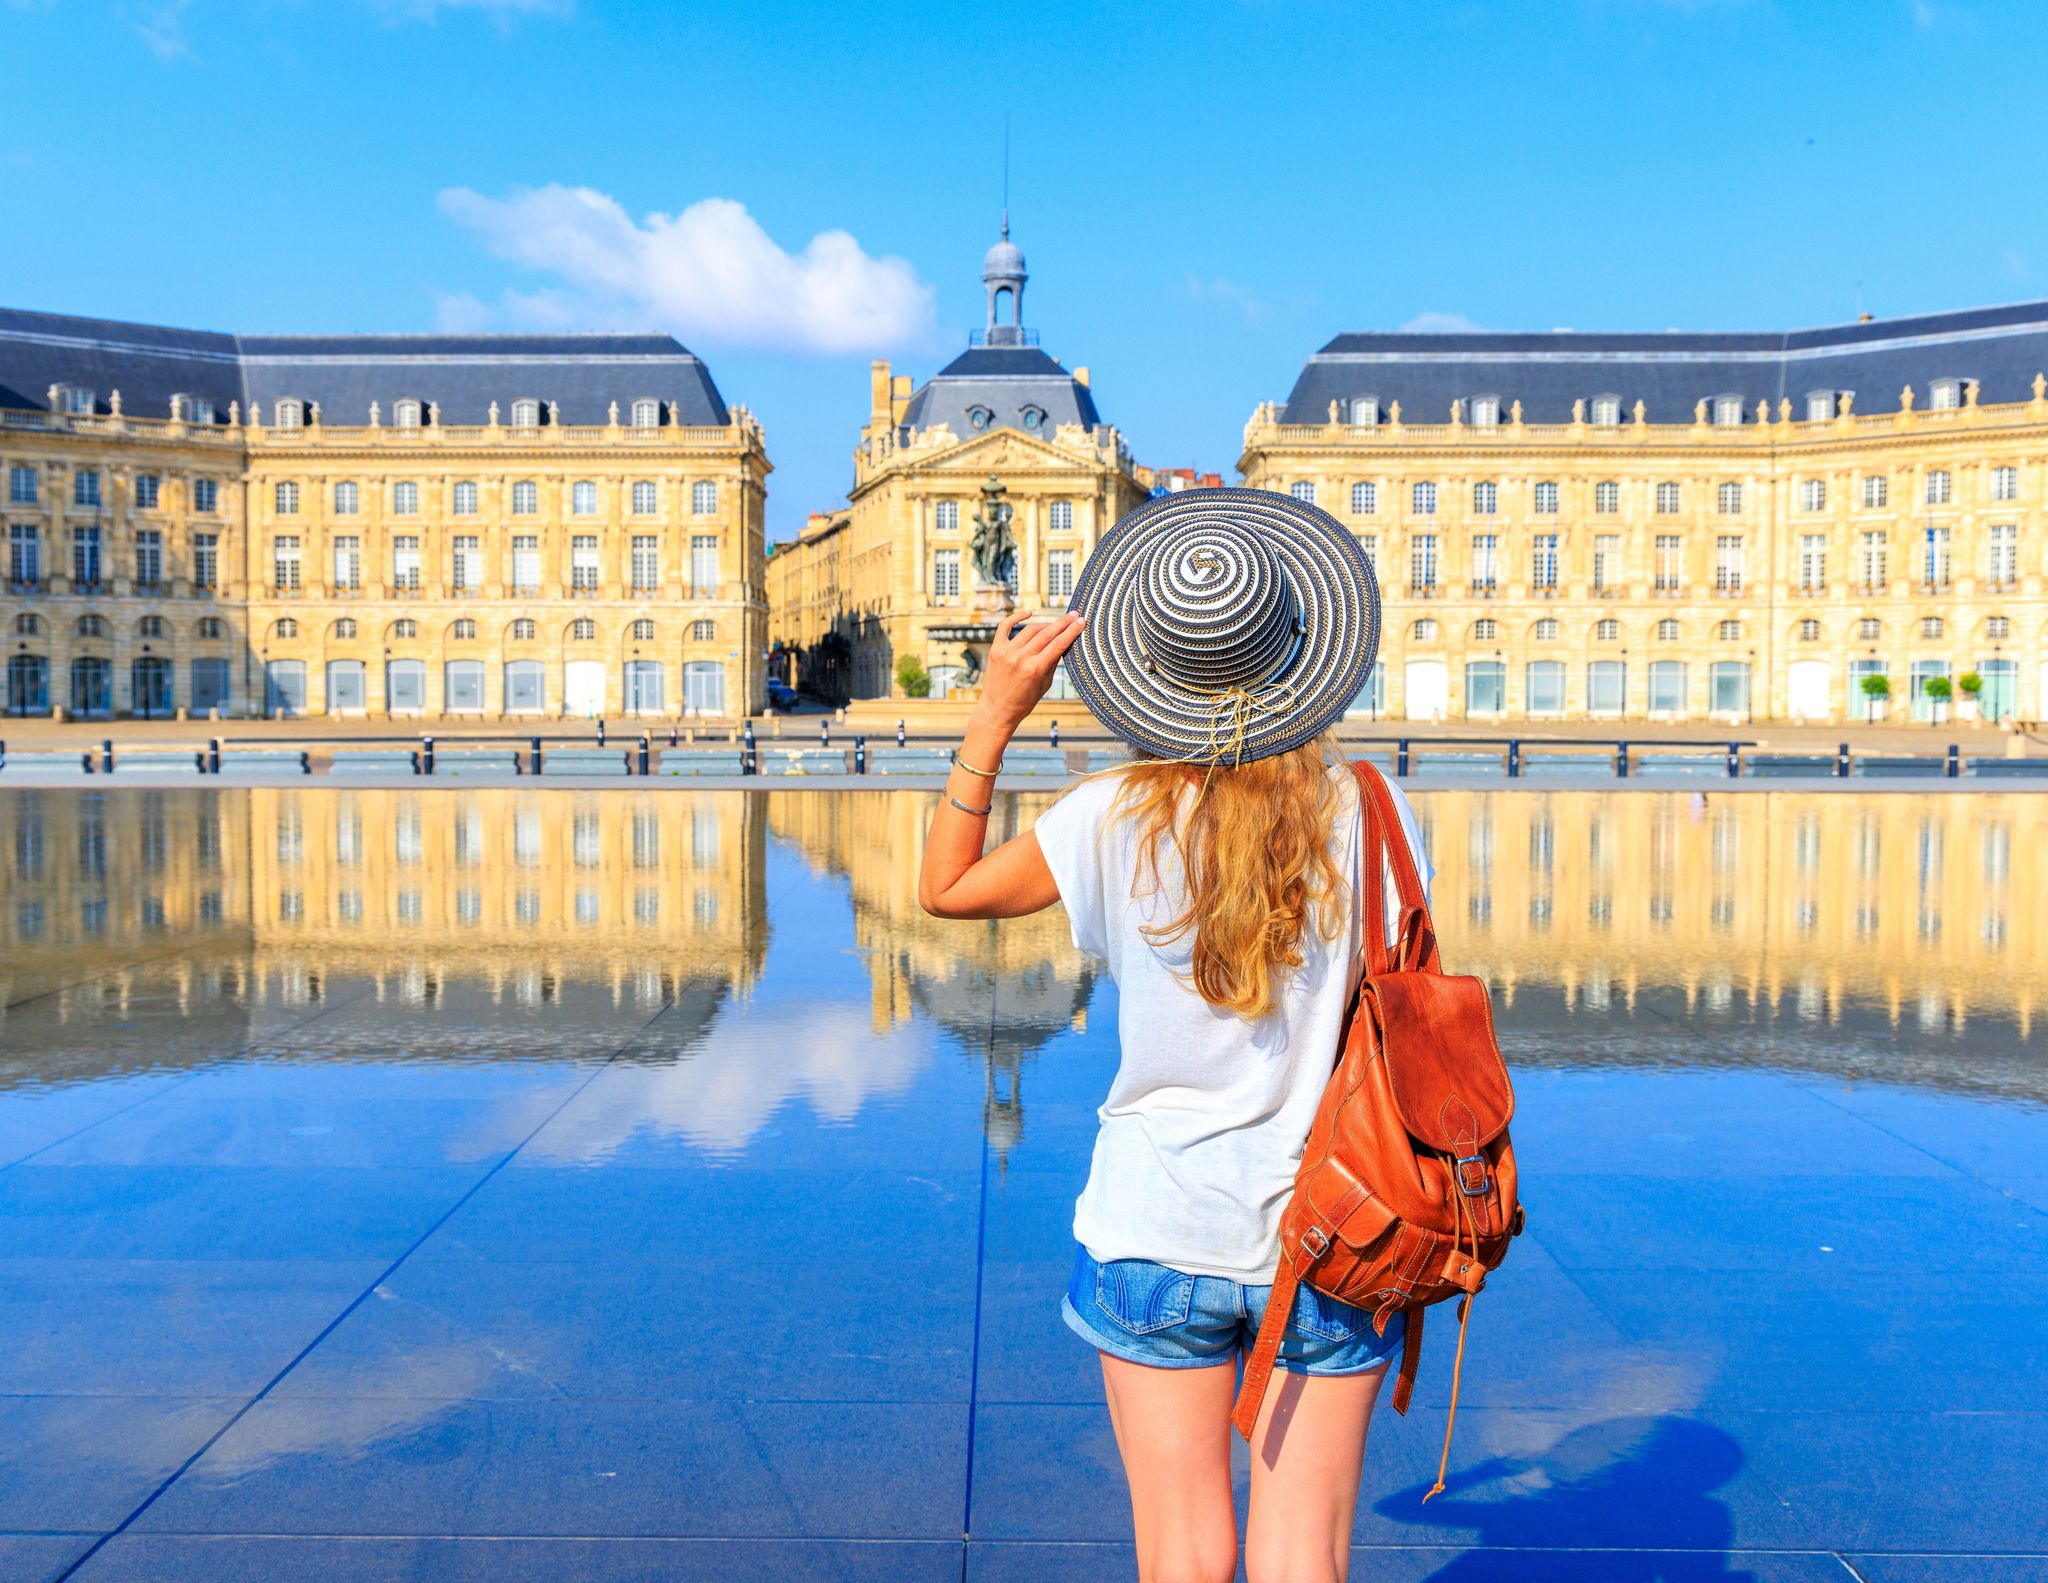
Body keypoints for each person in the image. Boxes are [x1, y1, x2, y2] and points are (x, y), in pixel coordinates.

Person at [918, 490, 1432, 1583]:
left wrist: (993, 713)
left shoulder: (1110, 812)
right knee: (1304, 1563)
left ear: (1151, 665)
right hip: (1331, 1229)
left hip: (1150, 1227)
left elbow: (946, 887)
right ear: (1301, 649)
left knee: (1181, 1559)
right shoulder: (1371, 811)